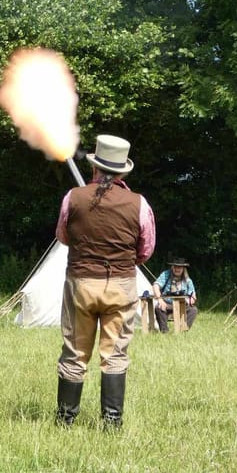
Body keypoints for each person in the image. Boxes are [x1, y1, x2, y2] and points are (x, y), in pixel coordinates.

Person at [55, 134, 156, 429]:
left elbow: (63, 236)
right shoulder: (139, 203)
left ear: (95, 168)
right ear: (123, 171)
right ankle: (112, 423)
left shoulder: (73, 197)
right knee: (115, 354)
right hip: (122, 285)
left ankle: (65, 421)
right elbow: (146, 249)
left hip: (81, 284)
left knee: (75, 352)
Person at [152, 256, 197, 333]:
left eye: (179, 267)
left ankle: (183, 331)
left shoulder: (187, 279)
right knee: (158, 308)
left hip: (182, 305)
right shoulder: (166, 274)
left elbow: (193, 296)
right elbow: (155, 285)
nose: (177, 269)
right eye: (175, 267)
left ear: (183, 268)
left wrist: (189, 301)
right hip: (167, 304)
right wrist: (160, 299)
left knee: (193, 310)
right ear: (172, 267)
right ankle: (164, 332)